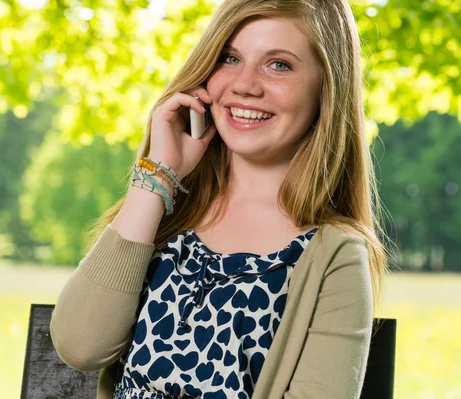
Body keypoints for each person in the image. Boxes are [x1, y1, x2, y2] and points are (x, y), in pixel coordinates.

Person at [50, 0, 392, 397]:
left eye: (278, 64)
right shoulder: (167, 213)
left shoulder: (335, 255)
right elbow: (80, 345)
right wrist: (157, 175)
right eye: (230, 58)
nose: (245, 84)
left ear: (326, 89)